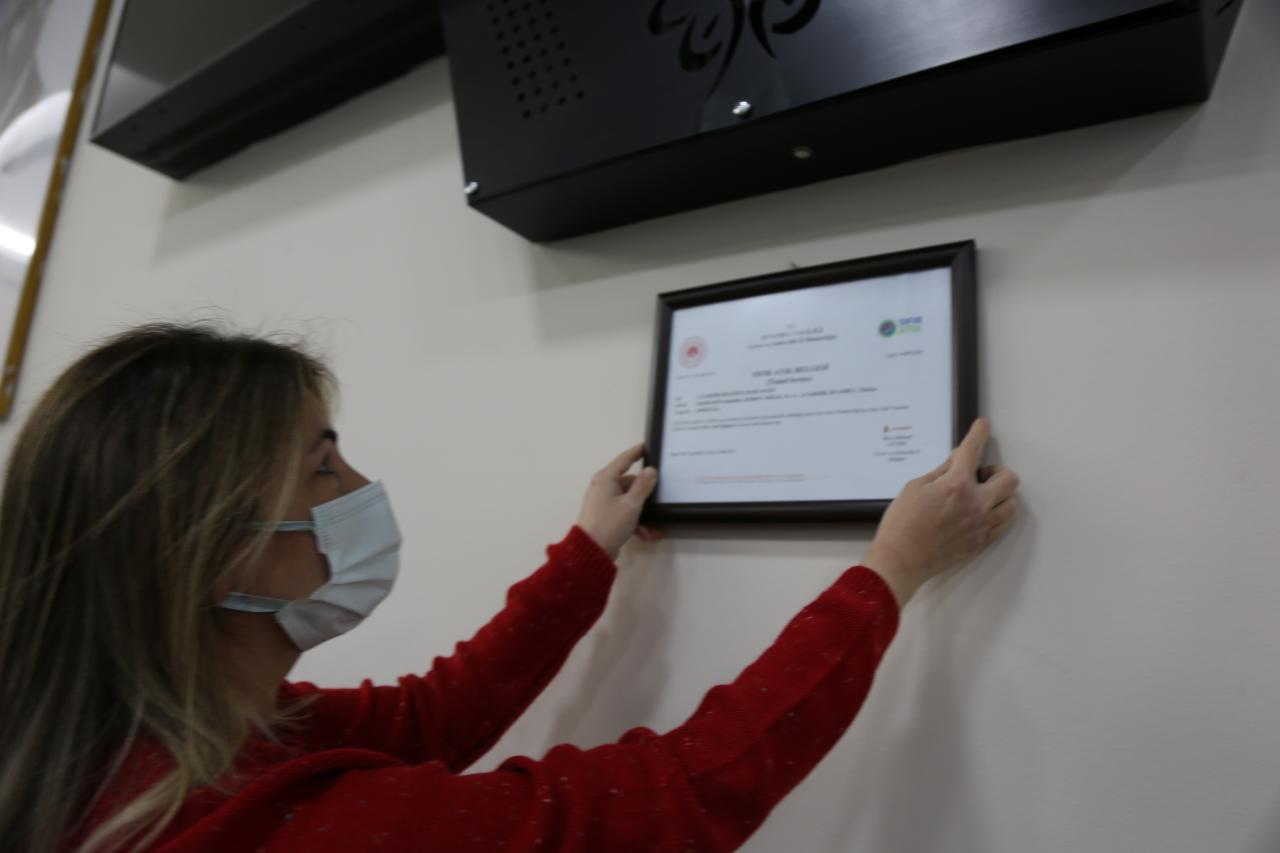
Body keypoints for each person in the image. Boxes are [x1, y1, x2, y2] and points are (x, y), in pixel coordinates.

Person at [0, 323, 1018, 853]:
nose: (360, 486)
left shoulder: (144, 750)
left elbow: (430, 717)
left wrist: (586, 555)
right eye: (322, 468)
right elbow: (678, 797)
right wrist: (892, 568)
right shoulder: (279, 824)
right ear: (210, 552)